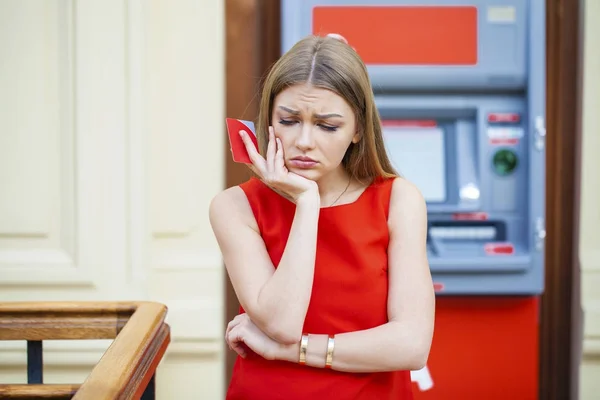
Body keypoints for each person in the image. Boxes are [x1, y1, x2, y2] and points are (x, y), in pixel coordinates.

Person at [209, 34, 435, 400]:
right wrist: (308, 203)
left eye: (327, 126)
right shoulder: (234, 207)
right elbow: (282, 323)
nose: (304, 141)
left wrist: (290, 351)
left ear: (359, 129)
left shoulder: (398, 199)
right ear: (269, 120)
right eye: (289, 120)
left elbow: (412, 345)